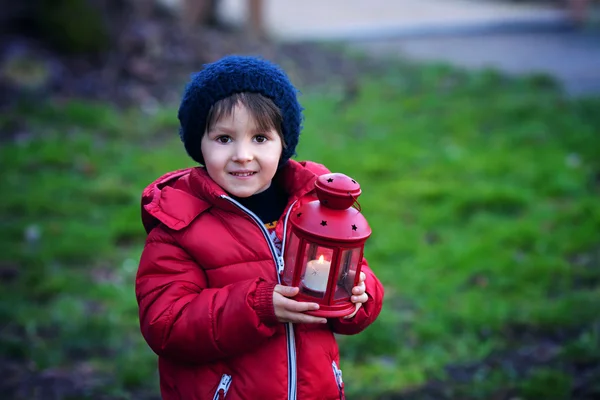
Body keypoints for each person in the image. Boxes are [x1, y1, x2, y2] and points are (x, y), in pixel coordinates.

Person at [136, 55, 385, 400]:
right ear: (199, 145)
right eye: (224, 139)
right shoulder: (179, 224)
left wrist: (359, 294)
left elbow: (353, 297)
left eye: (260, 138)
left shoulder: (316, 208)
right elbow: (166, 324)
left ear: (283, 143)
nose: (242, 154)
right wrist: (257, 306)